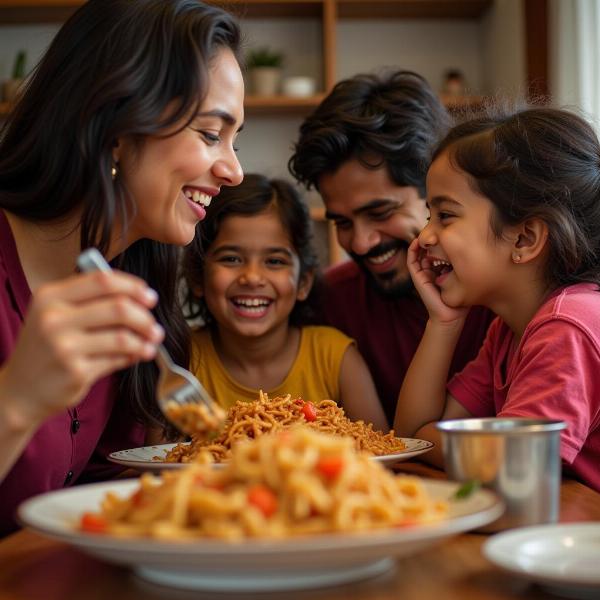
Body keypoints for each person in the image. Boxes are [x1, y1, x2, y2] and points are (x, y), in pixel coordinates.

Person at [0, 0, 244, 535]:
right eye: (209, 134)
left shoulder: (127, 284)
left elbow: (96, 496)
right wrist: (16, 401)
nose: (234, 171)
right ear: (115, 127)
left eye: (234, 139)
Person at [395, 107, 600, 492]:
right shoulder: (508, 332)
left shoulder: (567, 326)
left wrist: (434, 442)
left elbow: (513, 468)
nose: (423, 238)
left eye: (445, 215)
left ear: (524, 239)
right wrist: (444, 323)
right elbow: (411, 435)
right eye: (429, 216)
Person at [289, 70, 494, 423]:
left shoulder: (508, 301)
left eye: (381, 212)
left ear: (438, 194)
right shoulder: (332, 304)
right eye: (342, 222)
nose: (361, 242)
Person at [181, 174, 388, 430]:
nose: (252, 277)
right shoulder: (182, 362)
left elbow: (381, 450)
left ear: (303, 283)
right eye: (231, 259)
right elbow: (159, 460)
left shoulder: (336, 358)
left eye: (275, 261)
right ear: (198, 276)